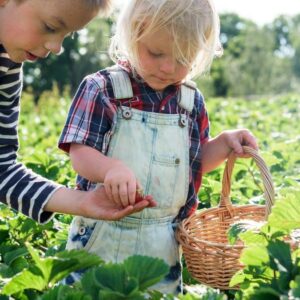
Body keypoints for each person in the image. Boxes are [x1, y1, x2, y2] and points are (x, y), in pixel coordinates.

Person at [58, 0, 258, 294]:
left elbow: (193, 162)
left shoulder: (190, 102)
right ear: (133, 35)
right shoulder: (103, 88)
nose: (167, 67)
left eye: (182, 58)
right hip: (102, 232)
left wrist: (224, 144)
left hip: (163, 241)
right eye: (156, 53)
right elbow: (80, 152)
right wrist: (110, 169)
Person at [0, 0, 153, 224]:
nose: (56, 47)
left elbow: (2, 168)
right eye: (51, 27)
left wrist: (82, 202)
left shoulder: (7, 68)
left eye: (67, 35)